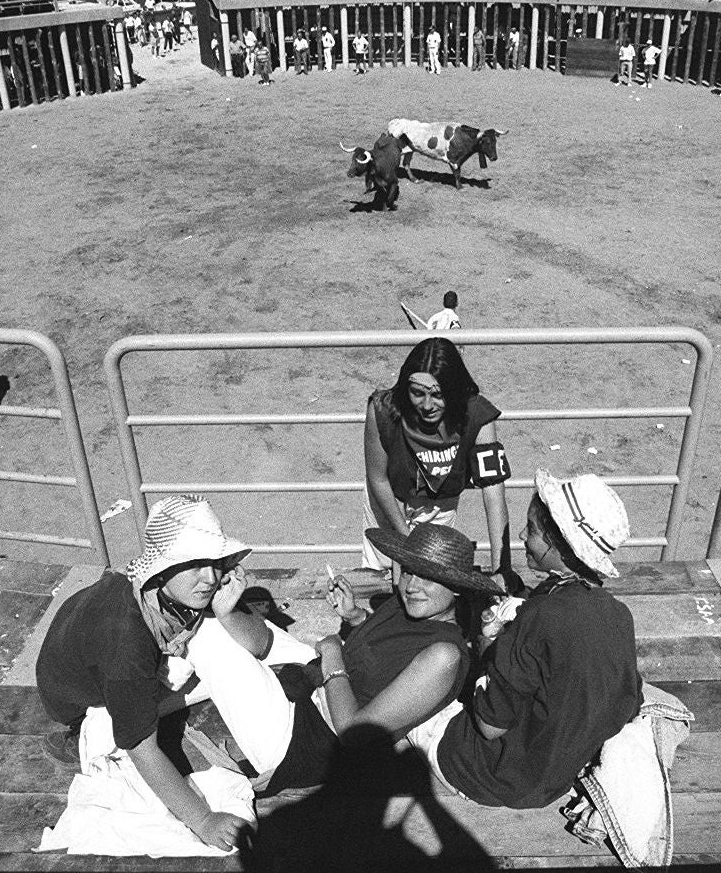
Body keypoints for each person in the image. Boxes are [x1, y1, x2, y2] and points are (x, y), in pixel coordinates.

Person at [36, 495, 301, 851]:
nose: (209, 578)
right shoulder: (126, 646)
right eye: (194, 564)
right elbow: (141, 748)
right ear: (162, 568)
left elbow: (257, 643)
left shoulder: (157, 589)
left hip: (89, 650)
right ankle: (84, 731)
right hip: (81, 699)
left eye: (216, 563)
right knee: (120, 730)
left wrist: (227, 612)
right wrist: (204, 820)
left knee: (222, 638)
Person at [183, 522, 503, 796]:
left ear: (458, 588)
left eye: (428, 577)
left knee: (209, 633)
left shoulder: (444, 656)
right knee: (236, 618)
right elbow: (387, 652)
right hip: (317, 679)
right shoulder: (413, 605)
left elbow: (355, 734)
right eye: (408, 571)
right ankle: (204, 679)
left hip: (309, 740)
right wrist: (355, 617)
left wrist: (334, 652)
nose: (411, 585)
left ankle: (150, 715)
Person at [414, 471, 642, 808]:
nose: (522, 535)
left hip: (483, 772)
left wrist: (489, 647)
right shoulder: (619, 616)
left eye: (532, 530)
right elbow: (629, 702)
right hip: (551, 782)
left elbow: (490, 726)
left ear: (562, 545)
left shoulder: (542, 617)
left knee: (410, 667)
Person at [362, 337, 513, 586]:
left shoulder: (477, 415)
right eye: (417, 393)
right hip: (388, 497)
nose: (427, 405)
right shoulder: (382, 410)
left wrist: (501, 568)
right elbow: (378, 478)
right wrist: (404, 541)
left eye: (438, 395)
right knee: (384, 572)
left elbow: (494, 492)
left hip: (440, 501)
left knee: (432, 574)